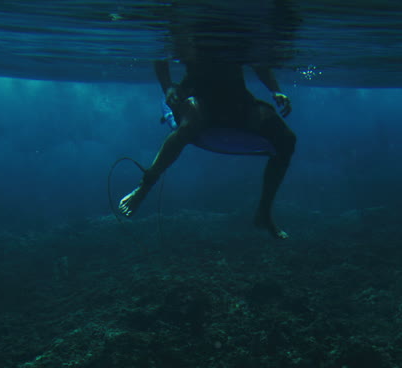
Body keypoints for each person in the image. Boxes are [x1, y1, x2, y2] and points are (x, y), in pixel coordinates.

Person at [118, 55, 297, 239]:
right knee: (189, 126)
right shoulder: (186, 30)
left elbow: (258, 59)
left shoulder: (244, 30)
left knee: (286, 139)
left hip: (235, 95)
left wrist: (275, 90)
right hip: (196, 92)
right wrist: (168, 87)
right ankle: (144, 186)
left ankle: (264, 212)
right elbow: (160, 56)